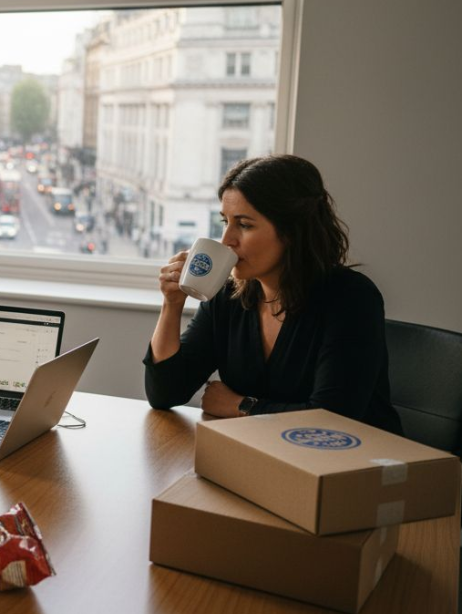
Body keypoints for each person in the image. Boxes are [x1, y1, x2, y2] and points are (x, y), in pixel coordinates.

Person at [144, 155, 401, 434]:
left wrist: (242, 406)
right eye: (225, 222)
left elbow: (332, 419)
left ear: (291, 231)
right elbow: (165, 394)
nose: (227, 239)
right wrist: (172, 304)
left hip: (354, 466)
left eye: (244, 224)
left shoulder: (351, 298)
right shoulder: (228, 295)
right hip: (264, 456)